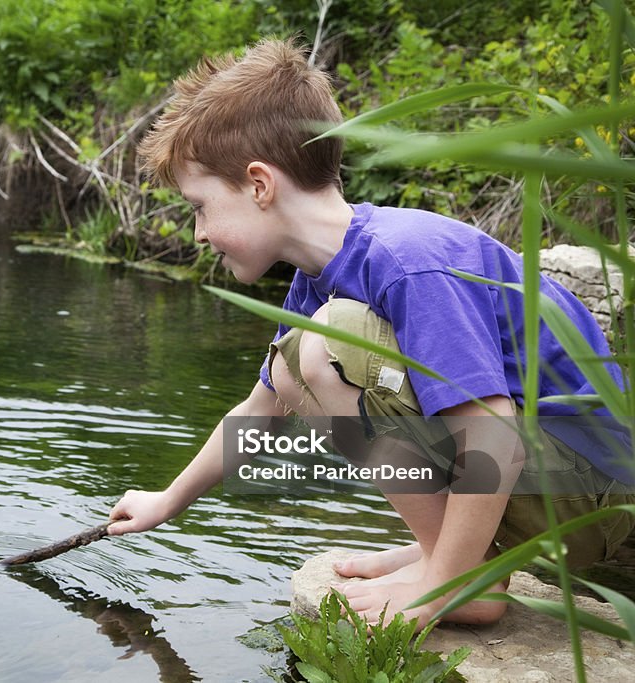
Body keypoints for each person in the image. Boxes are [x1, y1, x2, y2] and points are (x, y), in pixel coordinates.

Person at [106, 38, 635, 630]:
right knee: (290, 367)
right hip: (544, 487)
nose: (199, 232)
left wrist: (441, 591)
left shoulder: (408, 260)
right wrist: (167, 500)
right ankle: (451, 553)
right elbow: (262, 408)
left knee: (326, 345)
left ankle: (463, 577)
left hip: (590, 497)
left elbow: (492, 432)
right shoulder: (318, 278)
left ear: (259, 185)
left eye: (200, 206)